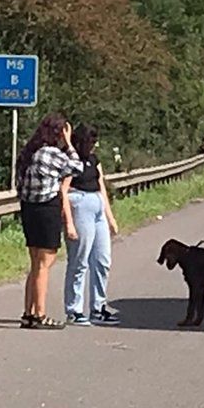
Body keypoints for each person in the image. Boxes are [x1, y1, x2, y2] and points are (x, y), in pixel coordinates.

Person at [16, 113, 83, 330]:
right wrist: (70, 143)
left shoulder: (28, 152)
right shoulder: (51, 154)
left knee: (35, 263)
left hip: (28, 208)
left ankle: (29, 312)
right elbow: (77, 167)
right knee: (45, 264)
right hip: (46, 209)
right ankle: (41, 315)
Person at [61, 125, 121, 326]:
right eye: (90, 142)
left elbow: (101, 185)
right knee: (80, 261)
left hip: (97, 206)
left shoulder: (94, 160)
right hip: (79, 203)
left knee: (102, 260)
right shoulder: (72, 159)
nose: (93, 146)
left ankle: (98, 306)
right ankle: (74, 309)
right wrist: (68, 221)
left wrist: (110, 217)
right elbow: (63, 189)